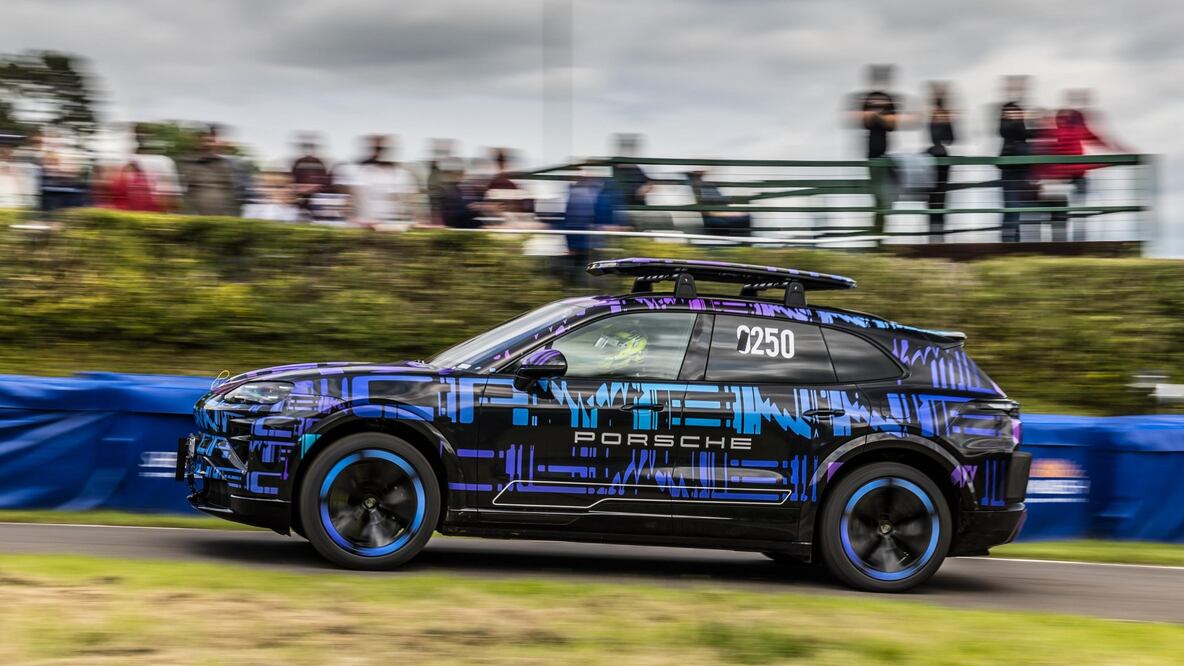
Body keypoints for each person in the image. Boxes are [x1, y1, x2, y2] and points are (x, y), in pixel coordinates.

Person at [849, 65, 901, 235]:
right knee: (878, 194)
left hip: (887, 152)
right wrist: (879, 118)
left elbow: (893, 123)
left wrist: (878, 118)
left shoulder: (888, 99)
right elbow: (864, 121)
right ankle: (878, 231)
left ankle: (881, 228)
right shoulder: (869, 98)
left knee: (889, 191)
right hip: (872, 153)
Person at [335, 135, 420, 228]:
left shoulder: (402, 176)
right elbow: (344, 200)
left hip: (392, 229)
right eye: (376, 149)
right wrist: (352, 219)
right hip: (362, 227)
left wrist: (411, 221)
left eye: (383, 149)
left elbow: (410, 205)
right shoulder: (354, 172)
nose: (379, 154)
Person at [997, 75, 1035, 242]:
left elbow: (1026, 134)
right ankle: (1008, 242)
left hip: (1023, 169)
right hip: (1011, 169)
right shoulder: (1006, 127)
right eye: (1010, 113)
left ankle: (1014, 242)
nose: (1014, 115)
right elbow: (1013, 131)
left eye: (1017, 113)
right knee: (1011, 206)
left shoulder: (1018, 127)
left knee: (1017, 208)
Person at [179, 126, 240, 216]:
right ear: (199, 142)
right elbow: (185, 190)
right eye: (205, 141)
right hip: (195, 214)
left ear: (216, 143)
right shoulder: (188, 162)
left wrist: (230, 214)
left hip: (220, 215)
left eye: (211, 141)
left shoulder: (224, 164)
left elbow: (230, 191)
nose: (208, 145)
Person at [925, 82, 957, 242]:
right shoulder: (932, 117)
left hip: (940, 162)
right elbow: (946, 138)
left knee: (938, 201)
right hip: (934, 162)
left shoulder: (942, 116)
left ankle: (936, 236)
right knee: (935, 201)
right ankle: (935, 236)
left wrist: (945, 119)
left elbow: (950, 139)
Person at [687, 169, 751, 237]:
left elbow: (719, 200)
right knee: (745, 216)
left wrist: (730, 201)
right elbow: (707, 208)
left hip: (719, 211)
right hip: (714, 214)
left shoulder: (707, 186)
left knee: (745, 215)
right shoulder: (697, 187)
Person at [289, 133, 332, 217]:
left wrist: (316, 189)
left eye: (311, 148)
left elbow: (323, 178)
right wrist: (298, 189)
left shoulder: (319, 162)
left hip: (315, 194)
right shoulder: (299, 161)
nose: (308, 151)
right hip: (301, 194)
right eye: (306, 148)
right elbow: (293, 177)